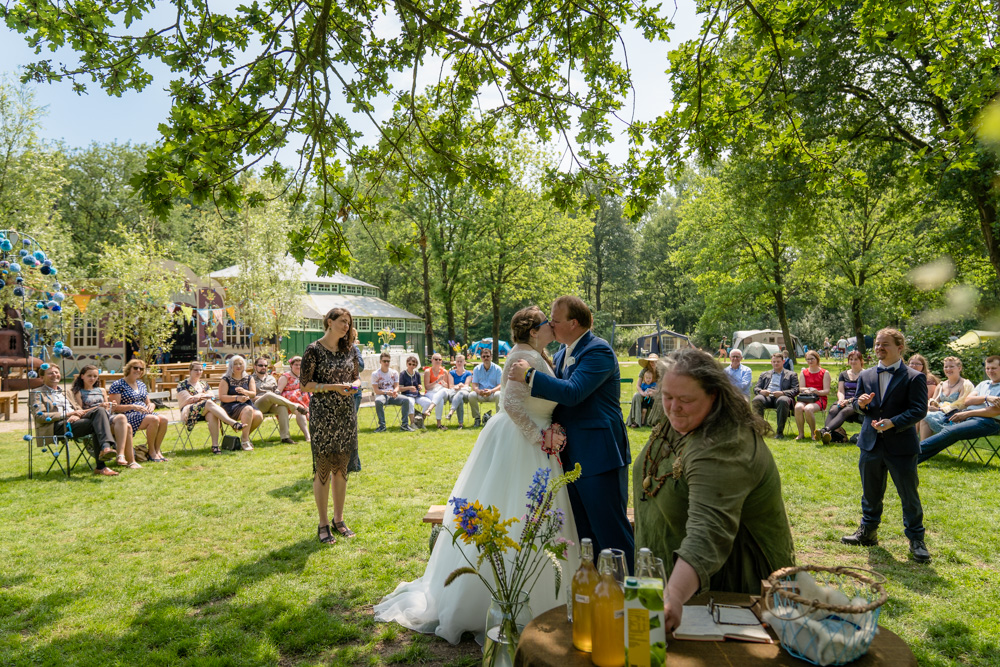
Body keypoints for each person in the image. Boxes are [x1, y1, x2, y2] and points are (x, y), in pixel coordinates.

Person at [374, 305, 577, 643]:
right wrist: (538, 436)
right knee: (513, 509)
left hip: (537, 440)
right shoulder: (521, 356)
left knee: (536, 516)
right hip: (521, 442)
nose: (551, 327)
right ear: (532, 330)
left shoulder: (538, 352)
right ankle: (500, 601)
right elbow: (511, 405)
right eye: (546, 323)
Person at [634, 348, 795, 635]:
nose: (673, 407)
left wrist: (673, 596)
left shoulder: (724, 445)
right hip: (677, 577)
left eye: (685, 400)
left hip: (730, 590)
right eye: (667, 396)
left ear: (714, 396)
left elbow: (707, 534)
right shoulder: (680, 419)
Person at [508, 295, 634, 572]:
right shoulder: (561, 353)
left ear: (573, 323)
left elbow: (574, 393)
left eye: (555, 319)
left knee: (611, 534)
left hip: (599, 454)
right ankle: (598, 595)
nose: (551, 324)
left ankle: (629, 597)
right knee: (584, 535)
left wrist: (530, 377)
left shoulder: (597, 350)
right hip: (569, 456)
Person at [844, 328, 930, 563]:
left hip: (901, 445)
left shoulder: (914, 377)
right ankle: (868, 532)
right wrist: (860, 403)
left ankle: (916, 540)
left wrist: (894, 423)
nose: (879, 348)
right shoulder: (866, 375)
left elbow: (919, 410)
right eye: (877, 344)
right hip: (870, 443)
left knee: (908, 495)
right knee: (870, 492)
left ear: (899, 347)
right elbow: (858, 405)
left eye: (885, 344)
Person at [301, 307, 361, 544]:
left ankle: (339, 519)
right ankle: (323, 523)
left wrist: (353, 385)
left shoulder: (350, 349)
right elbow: (304, 385)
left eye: (348, 322)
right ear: (329, 322)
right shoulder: (313, 350)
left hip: (347, 414)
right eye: (342, 321)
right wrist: (333, 387)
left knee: (342, 469)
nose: (346, 326)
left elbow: (357, 376)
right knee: (324, 469)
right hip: (323, 417)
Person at [33, 365, 122, 476]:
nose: (55, 375)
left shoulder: (67, 392)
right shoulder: (36, 393)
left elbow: (78, 408)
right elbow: (39, 416)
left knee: (100, 411)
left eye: (56, 372)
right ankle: (102, 464)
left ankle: (106, 449)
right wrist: (67, 414)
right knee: (97, 423)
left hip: (75, 421)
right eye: (50, 373)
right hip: (57, 425)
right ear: (42, 378)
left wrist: (78, 416)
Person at [918, 355, 1000, 464]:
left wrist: (968, 414)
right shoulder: (983, 384)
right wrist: (986, 397)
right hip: (969, 416)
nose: (990, 371)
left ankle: (912, 455)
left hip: (990, 421)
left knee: (951, 431)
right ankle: (910, 453)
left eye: (993, 368)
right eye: (987, 368)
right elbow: (968, 400)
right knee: (928, 418)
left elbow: (995, 411)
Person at [71, 364, 138, 468]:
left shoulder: (101, 390)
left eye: (95, 376)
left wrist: (111, 405)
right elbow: (80, 412)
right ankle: (130, 460)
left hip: (106, 416)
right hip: (92, 419)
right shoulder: (78, 392)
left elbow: (107, 409)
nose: (92, 378)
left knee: (121, 417)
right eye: (89, 376)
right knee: (127, 427)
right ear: (82, 376)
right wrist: (99, 407)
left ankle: (120, 455)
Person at [109, 359, 170, 463]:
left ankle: (157, 450)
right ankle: (151, 452)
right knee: (153, 419)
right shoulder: (118, 384)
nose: (139, 370)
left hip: (144, 413)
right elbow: (114, 408)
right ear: (129, 369)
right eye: (135, 368)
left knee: (164, 419)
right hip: (127, 415)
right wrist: (133, 407)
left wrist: (152, 405)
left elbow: (148, 402)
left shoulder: (141, 385)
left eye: (141, 369)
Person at [177, 361, 242, 454]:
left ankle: (215, 446)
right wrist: (203, 396)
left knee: (212, 413)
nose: (198, 372)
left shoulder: (204, 384)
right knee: (208, 403)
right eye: (196, 370)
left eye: (200, 370)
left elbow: (212, 397)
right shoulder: (182, 384)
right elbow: (188, 399)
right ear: (189, 371)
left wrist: (199, 397)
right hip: (190, 412)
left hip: (206, 410)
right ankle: (233, 423)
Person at [252, 356, 308, 445]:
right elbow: (250, 396)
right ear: (255, 366)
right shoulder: (250, 379)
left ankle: (285, 437)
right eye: (261, 365)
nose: (263, 367)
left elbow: (277, 393)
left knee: (282, 407)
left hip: (272, 404)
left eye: (265, 366)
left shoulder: (271, 378)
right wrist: (266, 397)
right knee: (269, 395)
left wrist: (272, 398)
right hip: (257, 405)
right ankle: (295, 406)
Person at [920, 356, 976, 440]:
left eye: (951, 366)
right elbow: (933, 400)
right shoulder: (941, 385)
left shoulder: (966, 385)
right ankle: (917, 446)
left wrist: (939, 410)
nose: (948, 369)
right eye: (946, 367)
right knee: (919, 414)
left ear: (959, 368)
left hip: (954, 417)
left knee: (925, 417)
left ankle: (923, 448)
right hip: (936, 413)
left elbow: (961, 405)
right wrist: (932, 405)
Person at [817, 350, 865, 444]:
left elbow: (862, 393)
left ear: (861, 360)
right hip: (844, 400)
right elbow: (840, 390)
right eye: (851, 359)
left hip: (857, 402)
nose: (853, 361)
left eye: (856, 359)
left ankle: (824, 431)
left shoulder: (865, 374)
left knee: (845, 411)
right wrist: (841, 400)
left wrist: (848, 401)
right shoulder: (844, 374)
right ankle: (829, 435)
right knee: (833, 410)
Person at [219, 355, 263, 451]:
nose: (238, 366)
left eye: (241, 363)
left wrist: (244, 392)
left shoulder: (248, 378)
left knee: (259, 415)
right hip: (230, 406)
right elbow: (222, 397)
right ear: (231, 366)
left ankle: (244, 437)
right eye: (235, 364)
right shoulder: (225, 379)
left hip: (246, 404)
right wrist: (237, 398)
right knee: (248, 409)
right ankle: (245, 442)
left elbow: (253, 394)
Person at [751, 353, 799, 438]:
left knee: (783, 400)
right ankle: (759, 431)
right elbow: (756, 388)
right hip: (767, 397)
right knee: (757, 399)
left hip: (781, 397)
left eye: (778, 362)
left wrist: (783, 393)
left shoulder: (791, 374)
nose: (776, 363)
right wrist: (761, 391)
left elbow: (795, 390)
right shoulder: (764, 374)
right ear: (771, 362)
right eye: (774, 362)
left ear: (783, 362)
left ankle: (779, 432)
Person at [371, 352, 415, 432]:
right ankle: (382, 426)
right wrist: (386, 393)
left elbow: (397, 386)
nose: (386, 363)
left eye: (388, 361)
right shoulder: (375, 374)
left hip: (392, 395)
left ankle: (405, 425)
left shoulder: (394, 373)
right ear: (380, 362)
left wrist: (395, 391)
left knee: (406, 400)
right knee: (378, 401)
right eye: (384, 361)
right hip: (382, 395)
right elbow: (376, 390)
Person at [794, 350, 831, 440]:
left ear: (817, 359)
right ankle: (801, 434)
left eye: (812, 359)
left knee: (808, 409)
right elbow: (801, 388)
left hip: (820, 398)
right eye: (808, 359)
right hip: (806, 397)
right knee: (798, 407)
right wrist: (808, 390)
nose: (810, 361)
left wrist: (816, 392)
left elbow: (826, 391)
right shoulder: (804, 372)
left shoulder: (824, 373)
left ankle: (813, 433)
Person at [276, 356, 311, 443]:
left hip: (304, 401)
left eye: (300, 365)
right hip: (289, 402)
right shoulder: (285, 376)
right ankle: (308, 436)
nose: (298, 367)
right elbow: (279, 390)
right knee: (300, 409)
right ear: (291, 365)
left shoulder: (304, 376)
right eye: (296, 365)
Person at [469, 348, 502, 427]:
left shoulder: (498, 369)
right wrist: (479, 391)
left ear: (491, 357)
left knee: (499, 394)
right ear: (481, 357)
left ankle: (498, 419)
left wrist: (491, 391)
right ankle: (477, 418)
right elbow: (474, 384)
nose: (486, 358)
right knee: (471, 395)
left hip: (492, 394)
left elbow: (500, 385)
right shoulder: (476, 369)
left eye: (487, 356)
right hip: (481, 394)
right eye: (484, 356)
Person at [627, 354, 660, 427]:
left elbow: (663, 387)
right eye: (651, 361)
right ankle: (636, 421)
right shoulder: (644, 370)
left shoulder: (660, 371)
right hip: (644, 391)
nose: (652, 363)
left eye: (654, 362)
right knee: (636, 396)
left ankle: (653, 422)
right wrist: (642, 393)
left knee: (658, 398)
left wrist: (654, 392)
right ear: (648, 362)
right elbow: (638, 385)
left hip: (655, 392)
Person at [423, 353, 454, 430]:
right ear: (432, 360)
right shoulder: (428, 371)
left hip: (442, 391)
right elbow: (427, 387)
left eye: (439, 359)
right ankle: (439, 424)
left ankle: (429, 410)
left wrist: (444, 384)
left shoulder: (444, 372)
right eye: (436, 359)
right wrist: (437, 381)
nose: (438, 361)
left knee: (443, 391)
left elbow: (448, 387)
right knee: (440, 400)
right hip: (431, 392)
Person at [399, 355, 430, 428]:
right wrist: (409, 388)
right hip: (407, 395)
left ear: (415, 366)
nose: (411, 366)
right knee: (410, 402)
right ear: (407, 364)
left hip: (417, 395)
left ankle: (420, 421)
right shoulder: (403, 374)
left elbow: (419, 385)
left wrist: (420, 386)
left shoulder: (417, 374)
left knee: (428, 402)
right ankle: (412, 423)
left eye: (413, 364)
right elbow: (400, 388)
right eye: (409, 364)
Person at [445, 354, 473, 427]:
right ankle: (460, 424)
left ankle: (451, 412)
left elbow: (467, 385)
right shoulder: (451, 373)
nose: (459, 363)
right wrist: (457, 386)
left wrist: (460, 386)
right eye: (458, 361)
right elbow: (450, 386)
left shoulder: (468, 373)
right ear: (455, 362)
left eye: (461, 361)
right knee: (459, 399)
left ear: (464, 362)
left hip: (465, 393)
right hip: (454, 393)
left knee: (460, 393)